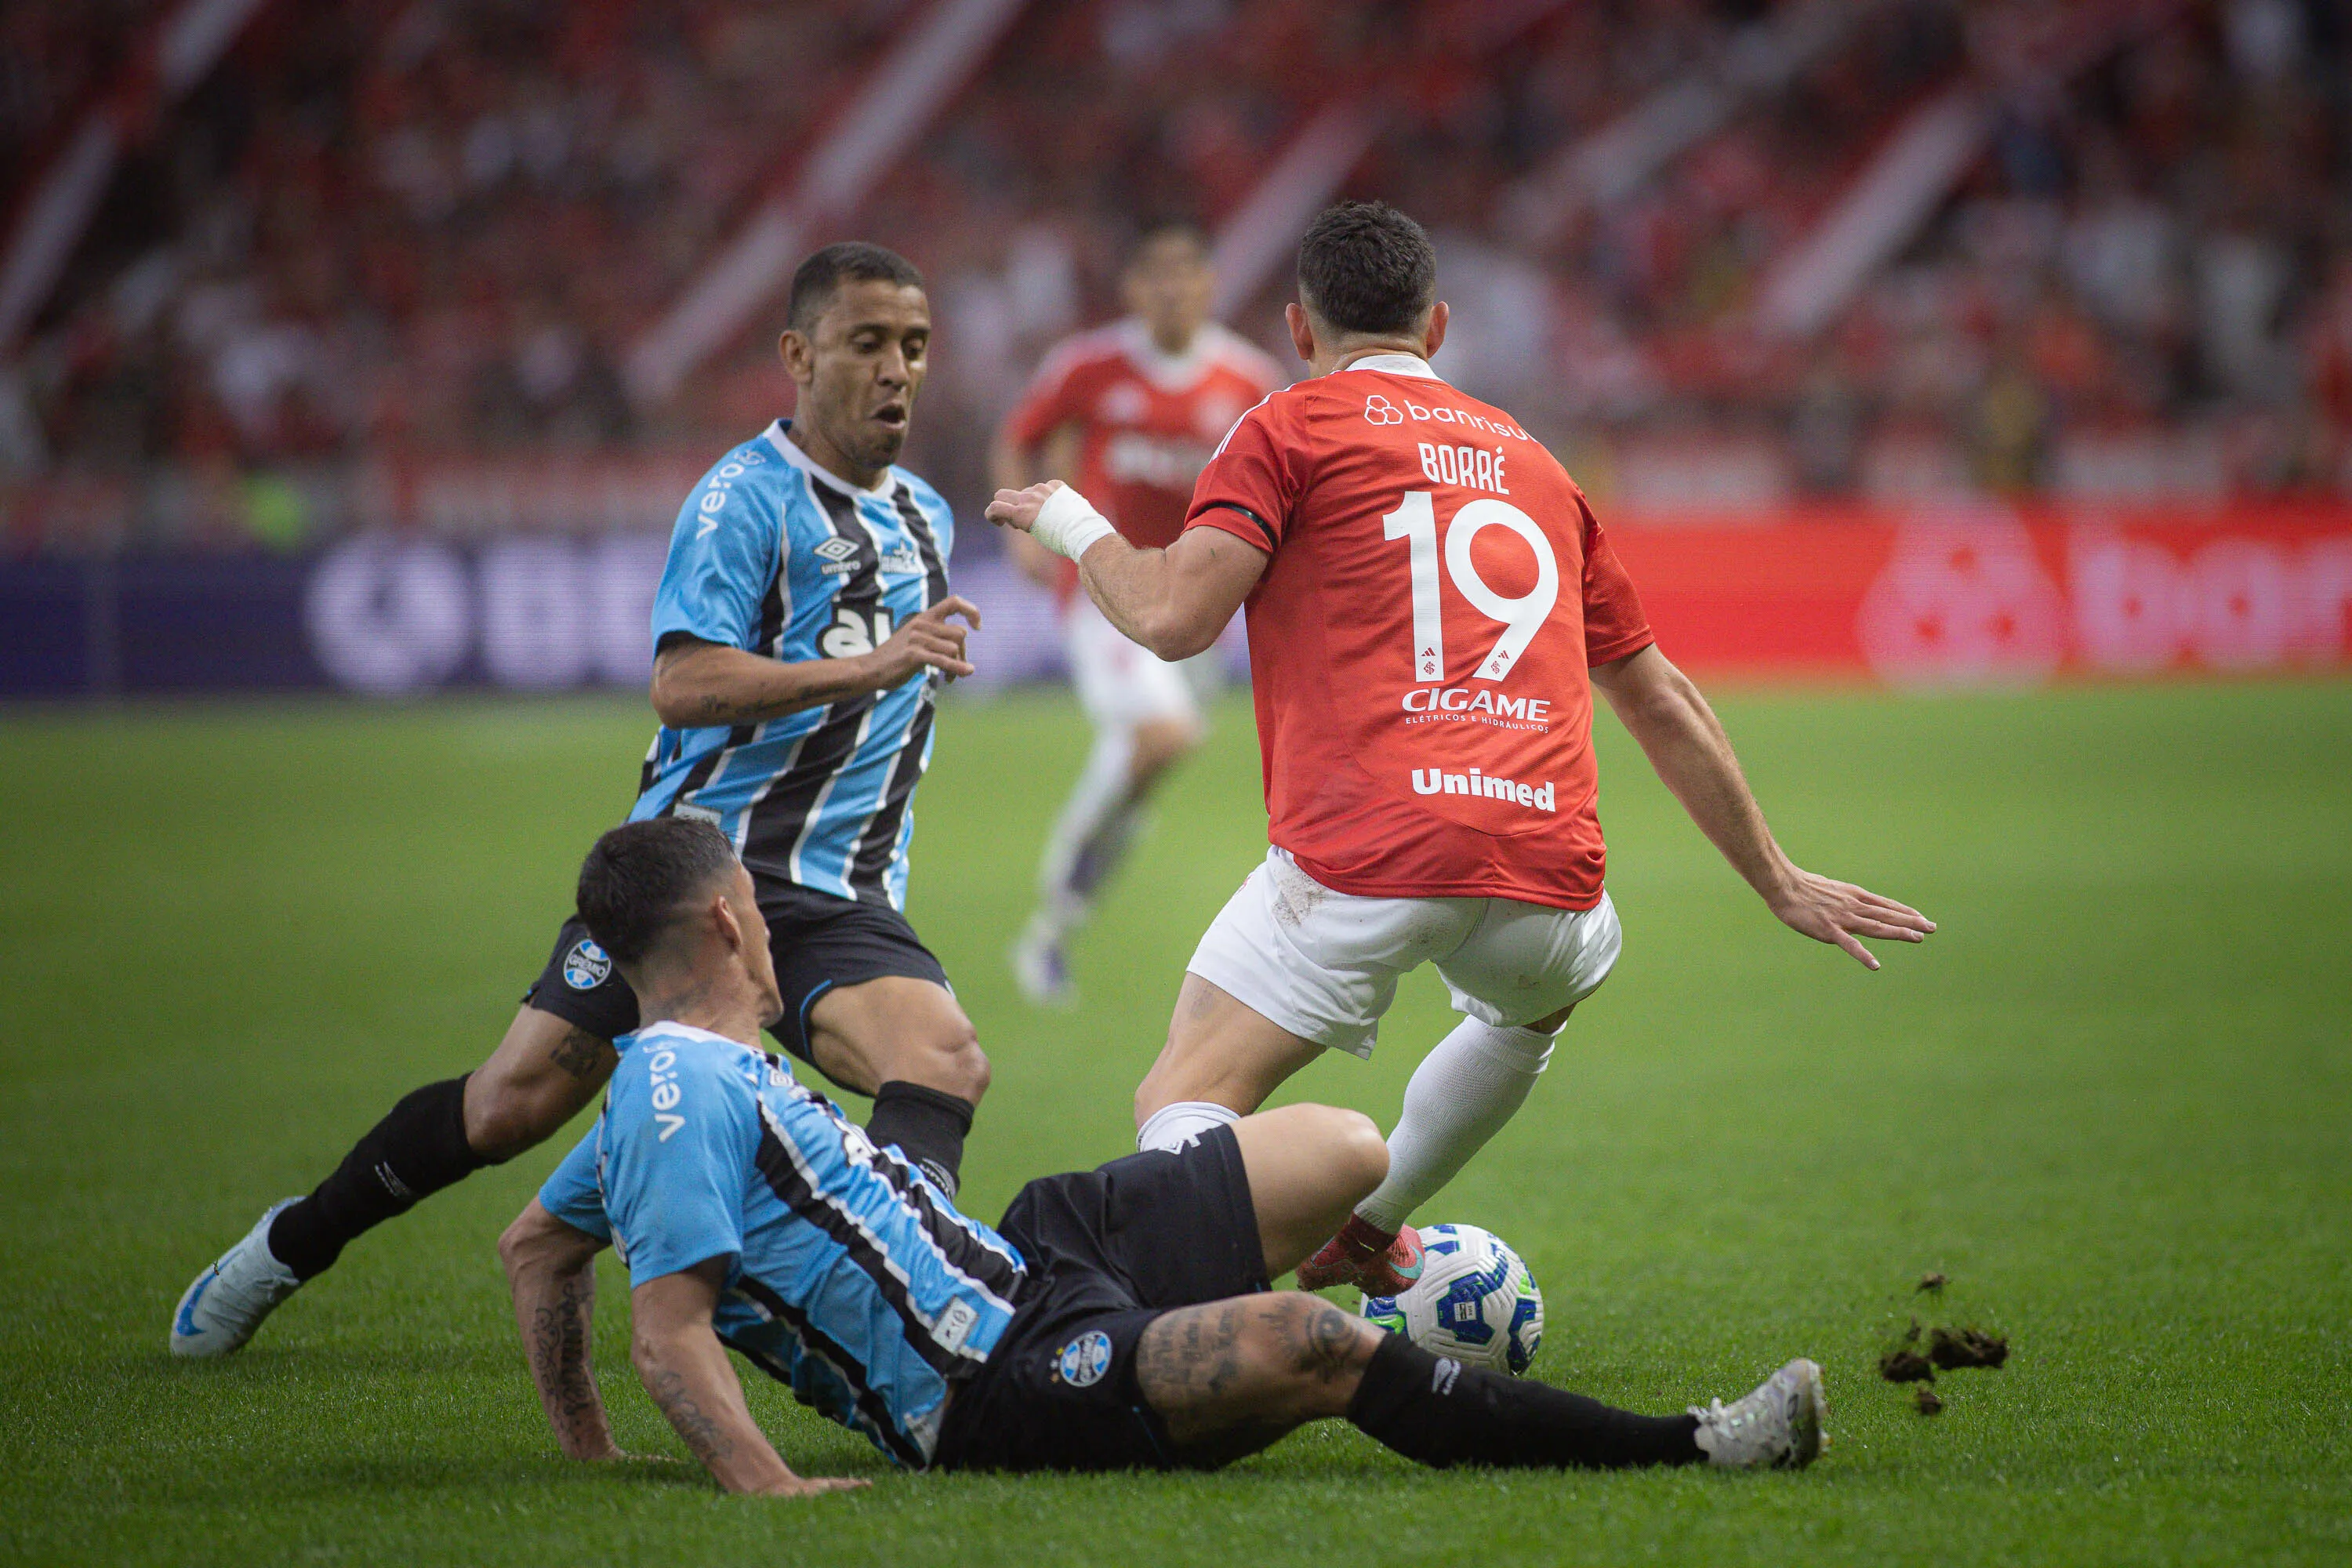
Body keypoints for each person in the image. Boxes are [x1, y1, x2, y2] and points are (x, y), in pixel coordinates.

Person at [985, 201, 1936, 1298]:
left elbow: (1171, 618)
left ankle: (1161, 1331)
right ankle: (1374, 1223)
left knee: (1183, 1099)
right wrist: (1778, 881)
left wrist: (1070, 521)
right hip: (1548, 874)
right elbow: (1661, 696)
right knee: (1540, 1000)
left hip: (1367, 856)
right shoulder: (1542, 466)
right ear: (1437, 327)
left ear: (1299, 330)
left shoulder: (1286, 425)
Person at [172, 243, 993, 1357]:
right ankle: (292, 1244)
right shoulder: (741, 501)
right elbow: (683, 681)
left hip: (834, 897)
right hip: (690, 880)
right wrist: (867, 667)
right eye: (867, 344)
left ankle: (905, 1297)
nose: (897, 369)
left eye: (914, 346)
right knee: (507, 1107)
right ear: (798, 356)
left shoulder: (929, 521)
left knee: (939, 1060)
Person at [497, 817, 1829, 1488]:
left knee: (1345, 1152)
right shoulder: (675, 1085)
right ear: (732, 924)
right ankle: (1696, 1448)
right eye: (764, 908)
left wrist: (588, 1462)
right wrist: (762, 1488)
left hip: (1035, 1249)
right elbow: (667, 1326)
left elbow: (538, 1245)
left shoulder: (687, 1082)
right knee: (1319, 1349)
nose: (781, 930)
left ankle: (1207, 1332)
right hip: (991, 1382)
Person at [990, 220, 1283, 1005]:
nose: (1172, 291)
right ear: (1133, 289)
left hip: (1196, 598)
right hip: (1105, 588)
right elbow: (1019, 438)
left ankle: (1054, 926)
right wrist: (1028, 538)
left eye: (1187, 276)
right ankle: (1055, 898)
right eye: (1156, 277)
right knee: (1162, 737)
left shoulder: (1247, 377)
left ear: (1210, 286)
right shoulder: (1089, 366)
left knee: (1140, 772)